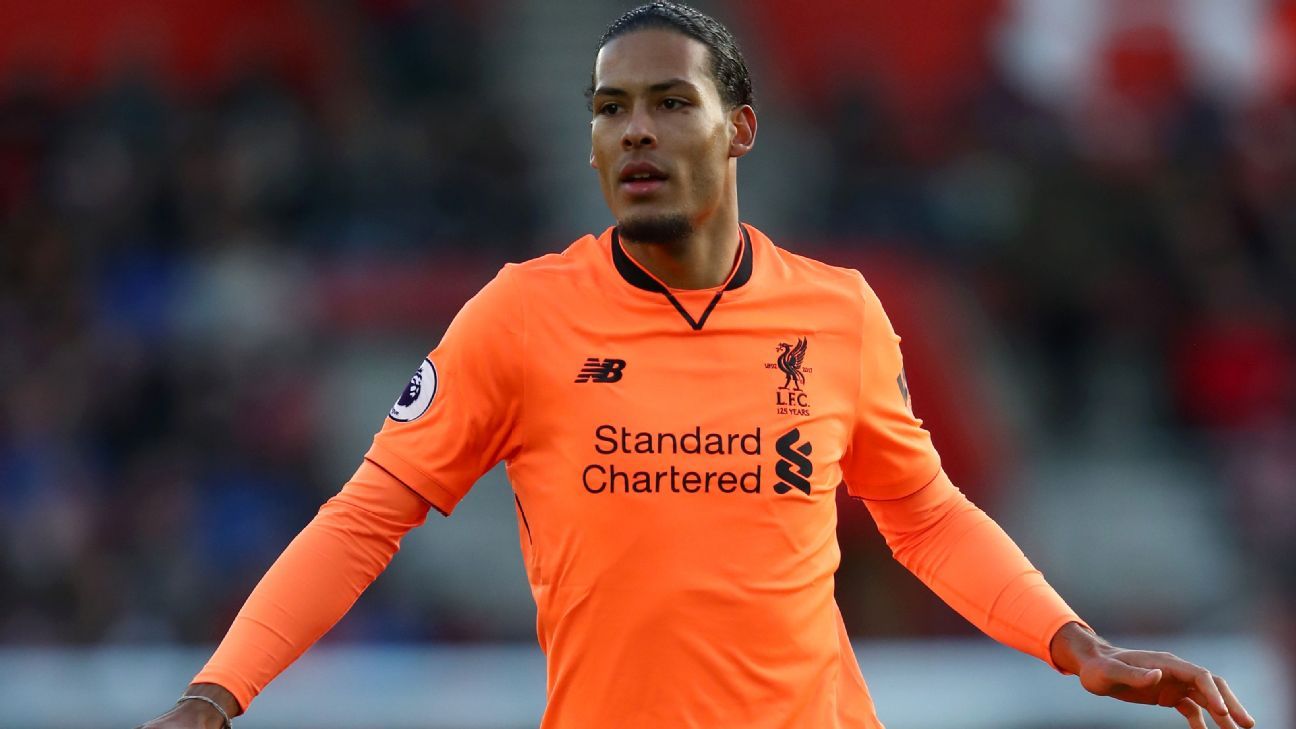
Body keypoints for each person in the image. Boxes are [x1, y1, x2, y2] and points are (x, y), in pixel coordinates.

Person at [138, 3, 1257, 728]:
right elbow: (363, 517)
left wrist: (1074, 643)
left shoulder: (838, 311)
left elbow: (923, 516)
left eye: (672, 103)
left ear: (741, 129)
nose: (636, 131)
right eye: (610, 110)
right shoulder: (521, 315)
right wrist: (217, 692)